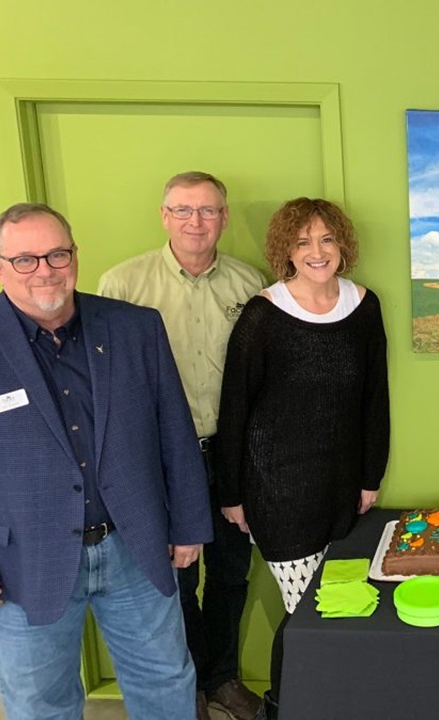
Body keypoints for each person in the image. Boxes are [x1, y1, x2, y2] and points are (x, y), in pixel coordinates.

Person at [0, 203, 212, 720]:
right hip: (19, 564)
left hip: (135, 547)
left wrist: (189, 523)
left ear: (74, 256)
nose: (45, 270)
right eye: (25, 259)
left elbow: (175, 431)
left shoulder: (135, 328)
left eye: (57, 254)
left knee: (167, 682)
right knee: (41, 704)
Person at [97, 172, 264, 720]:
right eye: (184, 210)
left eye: (209, 210)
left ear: (225, 216)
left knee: (232, 574)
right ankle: (185, 683)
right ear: (164, 215)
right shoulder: (122, 284)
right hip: (162, 458)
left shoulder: (249, 283)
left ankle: (222, 678)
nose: (197, 222)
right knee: (173, 577)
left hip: (232, 453)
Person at [216, 197, 390, 719]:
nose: (317, 252)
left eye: (327, 239)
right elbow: (235, 409)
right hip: (277, 492)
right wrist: (231, 495)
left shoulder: (364, 306)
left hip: (342, 491)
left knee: (340, 609)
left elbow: (374, 399)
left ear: (342, 245)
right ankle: (290, 706)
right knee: (308, 616)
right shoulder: (263, 314)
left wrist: (369, 477)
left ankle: (328, 704)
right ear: (285, 250)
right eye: (302, 242)